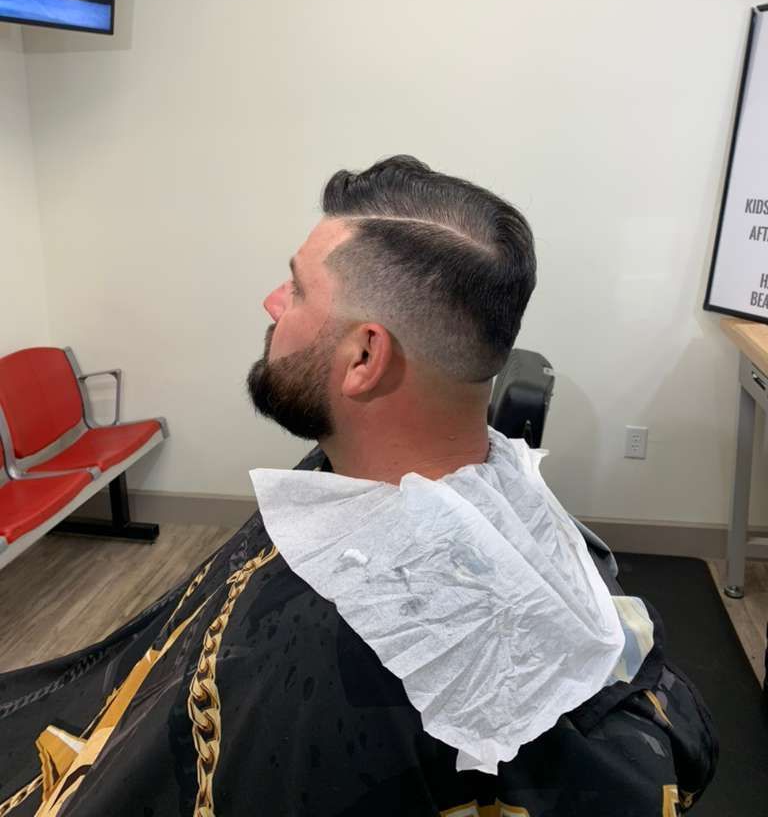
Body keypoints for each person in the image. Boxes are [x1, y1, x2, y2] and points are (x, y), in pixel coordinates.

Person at [0, 157, 716, 816]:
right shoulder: (495, 492)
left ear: (365, 355)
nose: (271, 302)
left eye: (299, 288)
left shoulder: (339, 671)